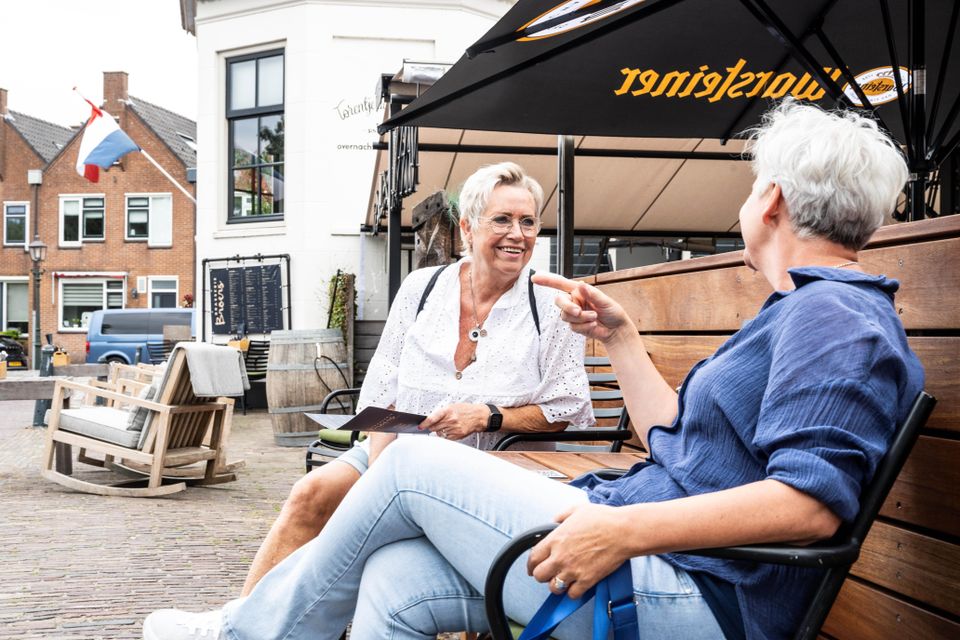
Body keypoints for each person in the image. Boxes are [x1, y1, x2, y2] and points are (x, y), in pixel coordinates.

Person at [144, 100, 924, 640]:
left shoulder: (832, 316)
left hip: (688, 594)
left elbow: (810, 505)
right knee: (391, 579)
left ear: (775, 200)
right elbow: (676, 442)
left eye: (754, 184)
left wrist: (622, 528)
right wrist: (620, 340)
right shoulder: (803, 310)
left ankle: (242, 629)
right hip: (653, 557)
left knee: (413, 465)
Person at [236, 161, 595, 595]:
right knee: (310, 494)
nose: (518, 234)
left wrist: (487, 416)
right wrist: (381, 472)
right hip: (397, 453)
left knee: (370, 549)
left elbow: (564, 410)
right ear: (467, 227)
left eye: (528, 222)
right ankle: (240, 624)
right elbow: (383, 390)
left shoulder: (553, 304)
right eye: (502, 219)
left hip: (497, 467)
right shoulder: (422, 287)